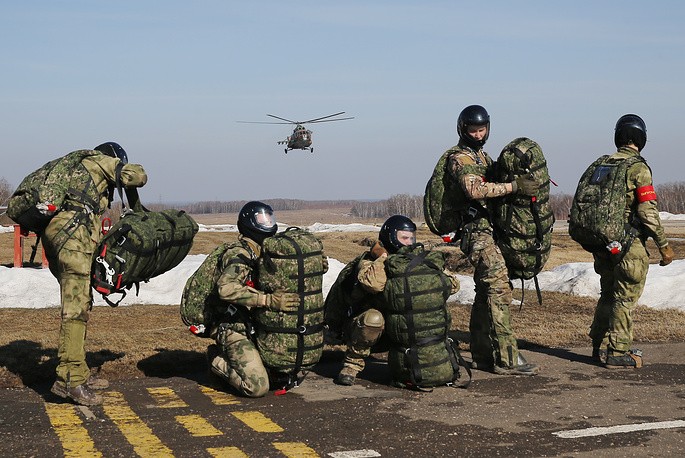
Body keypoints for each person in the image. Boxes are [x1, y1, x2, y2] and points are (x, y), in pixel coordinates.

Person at [46, 142, 148, 406]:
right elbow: (136, 176)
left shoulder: (80, 175)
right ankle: (69, 380)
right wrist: (126, 169)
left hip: (66, 237)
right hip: (72, 239)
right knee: (74, 310)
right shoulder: (100, 161)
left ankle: (79, 371)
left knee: (82, 304)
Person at [447, 105, 540, 376]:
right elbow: (474, 190)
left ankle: (482, 353)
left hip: (486, 231)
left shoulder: (481, 156)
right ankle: (506, 358)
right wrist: (514, 187)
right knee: (499, 289)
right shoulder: (461, 158)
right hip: (476, 233)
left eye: (482, 129)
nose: (478, 135)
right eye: (473, 130)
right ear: (462, 130)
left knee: (484, 292)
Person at [324, 215, 459, 386]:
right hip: (364, 328)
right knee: (373, 318)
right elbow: (374, 284)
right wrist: (382, 257)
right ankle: (352, 364)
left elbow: (452, 285)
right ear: (390, 237)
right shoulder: (369, 262)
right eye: (404, 237)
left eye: (412, 238)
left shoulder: (412, 264)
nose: (409, 242)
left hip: (398, 327)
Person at [589, 114, 674, 368]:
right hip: (629, 245)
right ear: (641, 139)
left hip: (603, 245)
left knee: (607, 294)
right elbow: (647, 211)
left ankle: (596, 343)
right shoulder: (638, 168)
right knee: (624, 298)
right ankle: (617, 351)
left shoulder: (602, 165)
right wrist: (663, 245)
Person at [206, 201, 302, 397]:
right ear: (250, 223)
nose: (268, 224)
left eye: (269, 219)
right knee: (256, 386)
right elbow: (226, 289)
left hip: (252, 321)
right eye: (262, 220)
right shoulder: (239, 254)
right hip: (229, 324)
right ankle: (215, 359)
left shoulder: (262, 252)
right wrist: (268, 300)